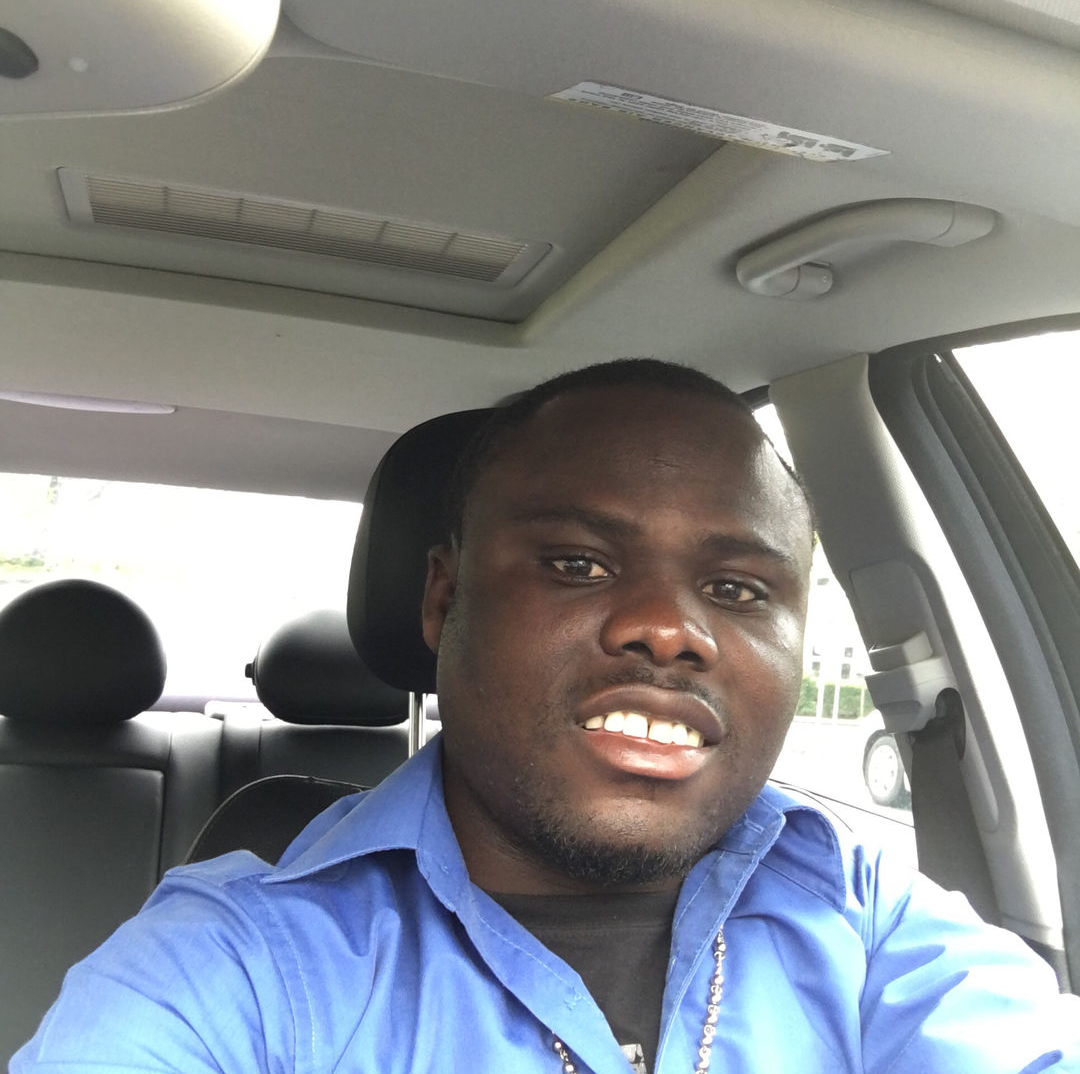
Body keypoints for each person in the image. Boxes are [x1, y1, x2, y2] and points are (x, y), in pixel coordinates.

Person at [12, 360, 1079, 1073]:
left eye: (739, 590)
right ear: (444, 599)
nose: (670, 629)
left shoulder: (871, 917)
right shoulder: (236, 967)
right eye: (577, 563)